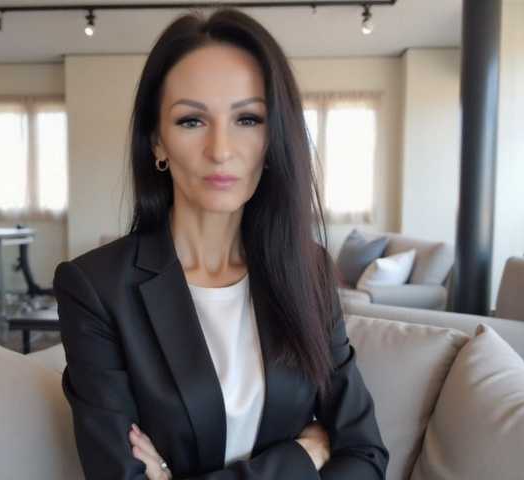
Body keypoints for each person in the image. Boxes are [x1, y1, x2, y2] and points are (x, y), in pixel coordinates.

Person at [53, 8, 389, 480]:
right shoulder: (96, 288)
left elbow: (366, 456)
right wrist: (302, 457)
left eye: (247, 119)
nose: (221, 150)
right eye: (191, 121)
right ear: (157, 142)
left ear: (273, 139)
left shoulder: (308, 269)